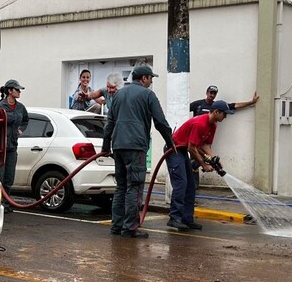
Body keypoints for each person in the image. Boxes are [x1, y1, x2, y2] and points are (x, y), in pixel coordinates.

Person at [101, 65, 174, 238]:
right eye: (150, 78)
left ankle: (116, 225)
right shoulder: (148, 95)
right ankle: (130, 228)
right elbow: (160, 122)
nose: (151, 81)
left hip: (118, 146)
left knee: (121, 187)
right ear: (143, 78)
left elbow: (109, 122)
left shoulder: (118, 94)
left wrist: (106, 146)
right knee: (134, 187)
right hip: (136, 147)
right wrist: (171, 142)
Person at [165, 101, 233, 231]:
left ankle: (186, 219)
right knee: (181, 183)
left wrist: (214, 159)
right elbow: (192, 148)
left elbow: (204, 145)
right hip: (174, 150)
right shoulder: (200, 123)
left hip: (182, 151)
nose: (225, 117)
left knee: (190, 186)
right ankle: (174, 218)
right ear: (216, 112)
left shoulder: (213, 126)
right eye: (224, 114)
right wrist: (203, 164)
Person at [0, 79, 29, 209]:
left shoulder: (20, 107)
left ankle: (7, 203)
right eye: (17, 90)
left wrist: (21, 129)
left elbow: (26, 120)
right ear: (9, 91)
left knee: (10, 177)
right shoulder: (0, 106)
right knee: (0, 177)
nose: (19, 92)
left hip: (12, 146)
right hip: (0, 148)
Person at [189, 85, 259, 117]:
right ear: (207, 93)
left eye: (214, 93)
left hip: (208, 133)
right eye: (211, 93)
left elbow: (234, 105)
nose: (212, 95)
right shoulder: (197, 104)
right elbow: (183, 110)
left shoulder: (217, 105)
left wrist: (251, 102)